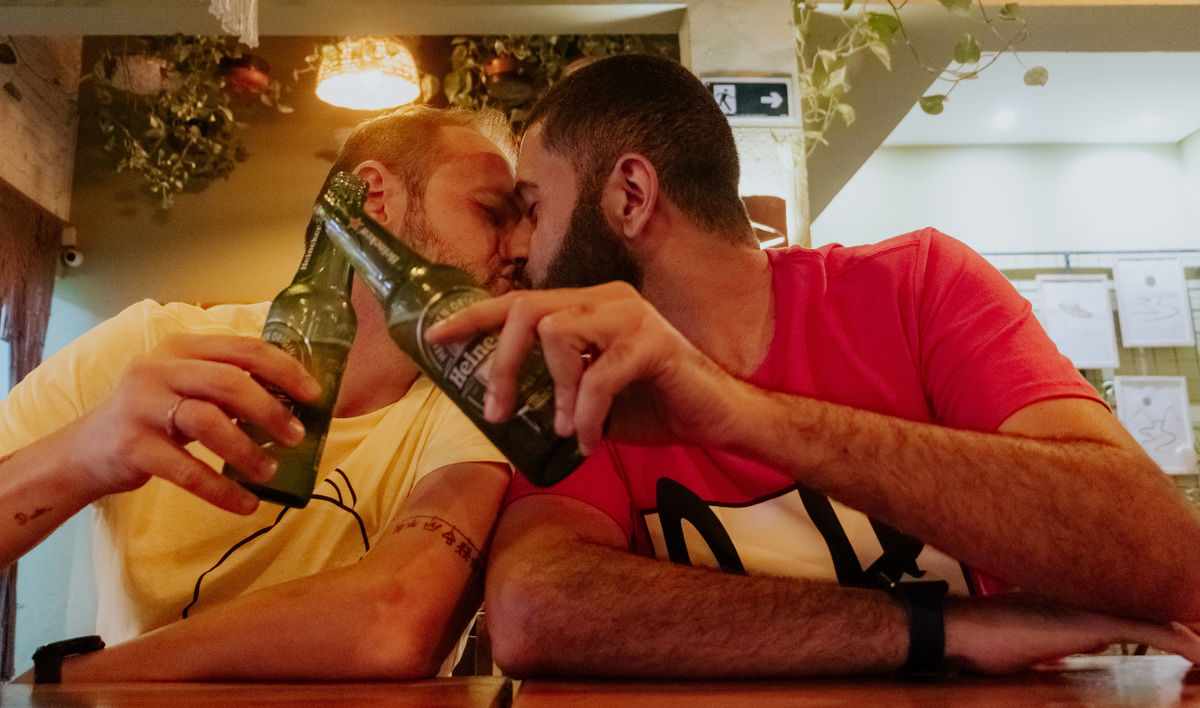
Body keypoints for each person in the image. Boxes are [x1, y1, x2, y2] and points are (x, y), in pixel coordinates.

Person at [425, 54, 1200, 678]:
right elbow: (533, 610)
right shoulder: (585, 376)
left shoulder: (917, 286)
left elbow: (1164, 557)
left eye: (533, 206)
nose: (517, 247)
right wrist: (942, 630)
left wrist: (740, 412)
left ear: (631, 194)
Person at [0, 105, 528, 681]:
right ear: (375, 198)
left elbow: (395, 622)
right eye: (492, 211)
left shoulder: (480, 400)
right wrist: (85, 453)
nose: (524, 247)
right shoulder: (152, 344)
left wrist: (71, 678)